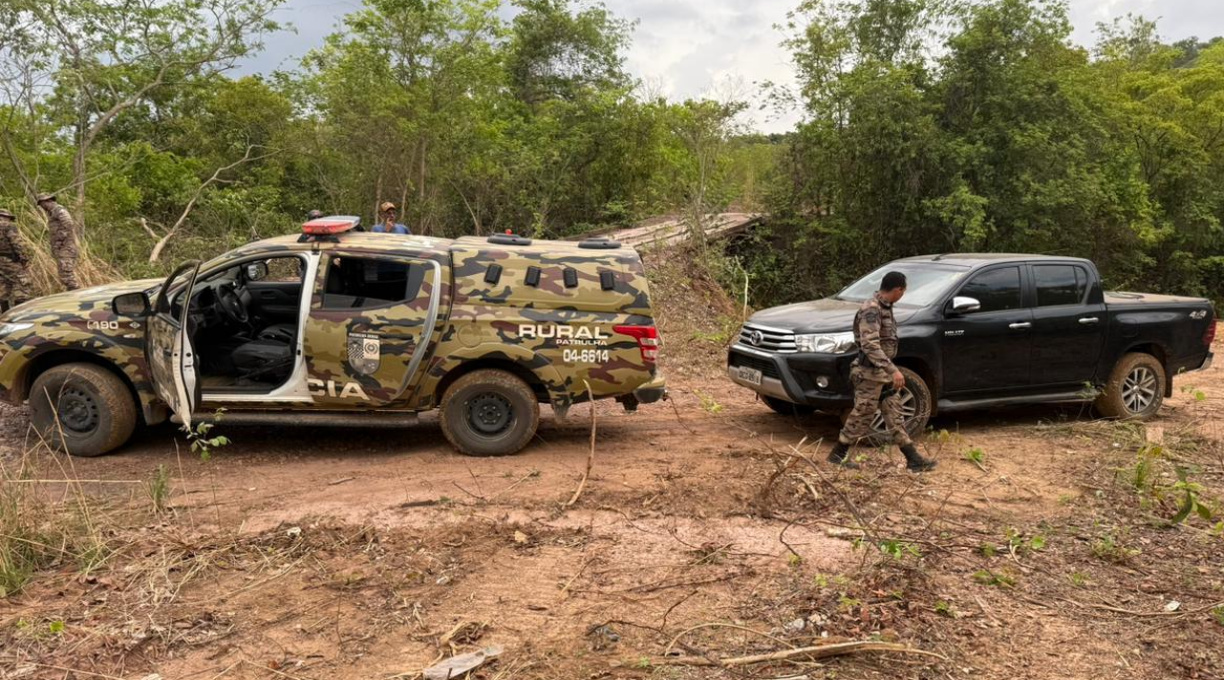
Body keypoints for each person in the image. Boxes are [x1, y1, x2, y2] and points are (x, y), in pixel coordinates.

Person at [827, 271, 936, 472]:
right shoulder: (872, 309)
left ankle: (913, 459)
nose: (903, 295)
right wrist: (893, 370)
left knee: (894, 413)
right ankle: (837, 454)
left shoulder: (885, 307)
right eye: (903, 291)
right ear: (897, 290)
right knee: (863, 414)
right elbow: (870, 345)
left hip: (882, 373)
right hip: (870, 373)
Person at [35, 193, 80, 291]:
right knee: (64, 276)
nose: (42, 207)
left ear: (47, 201)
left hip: (66, 247)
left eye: (42, 204)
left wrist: (59, 240)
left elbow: (68, 223)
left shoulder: (59, 210)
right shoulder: (52, 212)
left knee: (67, 276)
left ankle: (77, 296)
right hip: (62, 248)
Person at [0, 209, 32, 312]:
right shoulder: (8, 226)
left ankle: (4, 312)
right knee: (23, 283)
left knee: (4, 284)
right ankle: (20, 312)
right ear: (7, 217)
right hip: (10, 260)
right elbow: (16, 243)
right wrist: (24, 259)